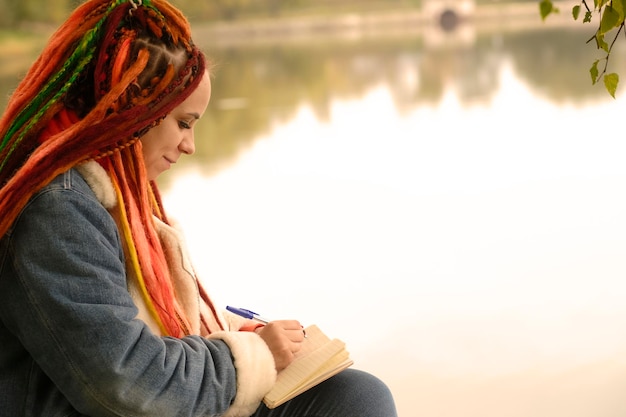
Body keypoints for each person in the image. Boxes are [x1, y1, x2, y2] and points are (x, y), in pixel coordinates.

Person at [0, 0, 398, 416]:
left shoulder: (115, 195)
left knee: (353, 394)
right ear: (132, 111)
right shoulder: (57, 207)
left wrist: (231, 330)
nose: (189, 146)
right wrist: (253, 354)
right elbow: (127, 384)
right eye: (184, 123)